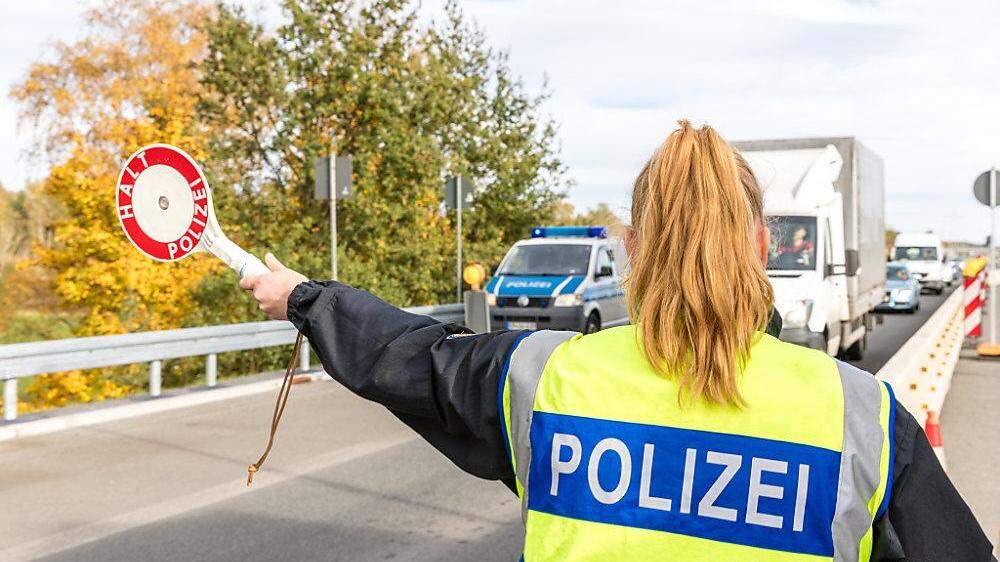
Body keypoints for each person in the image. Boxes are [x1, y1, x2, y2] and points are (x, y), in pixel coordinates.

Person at [241, 121, 994, 561]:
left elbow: (411, 358)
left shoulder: (542, 379)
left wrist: (303, 298)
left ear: (632, 250)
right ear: (762, 245)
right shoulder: (860, 417)